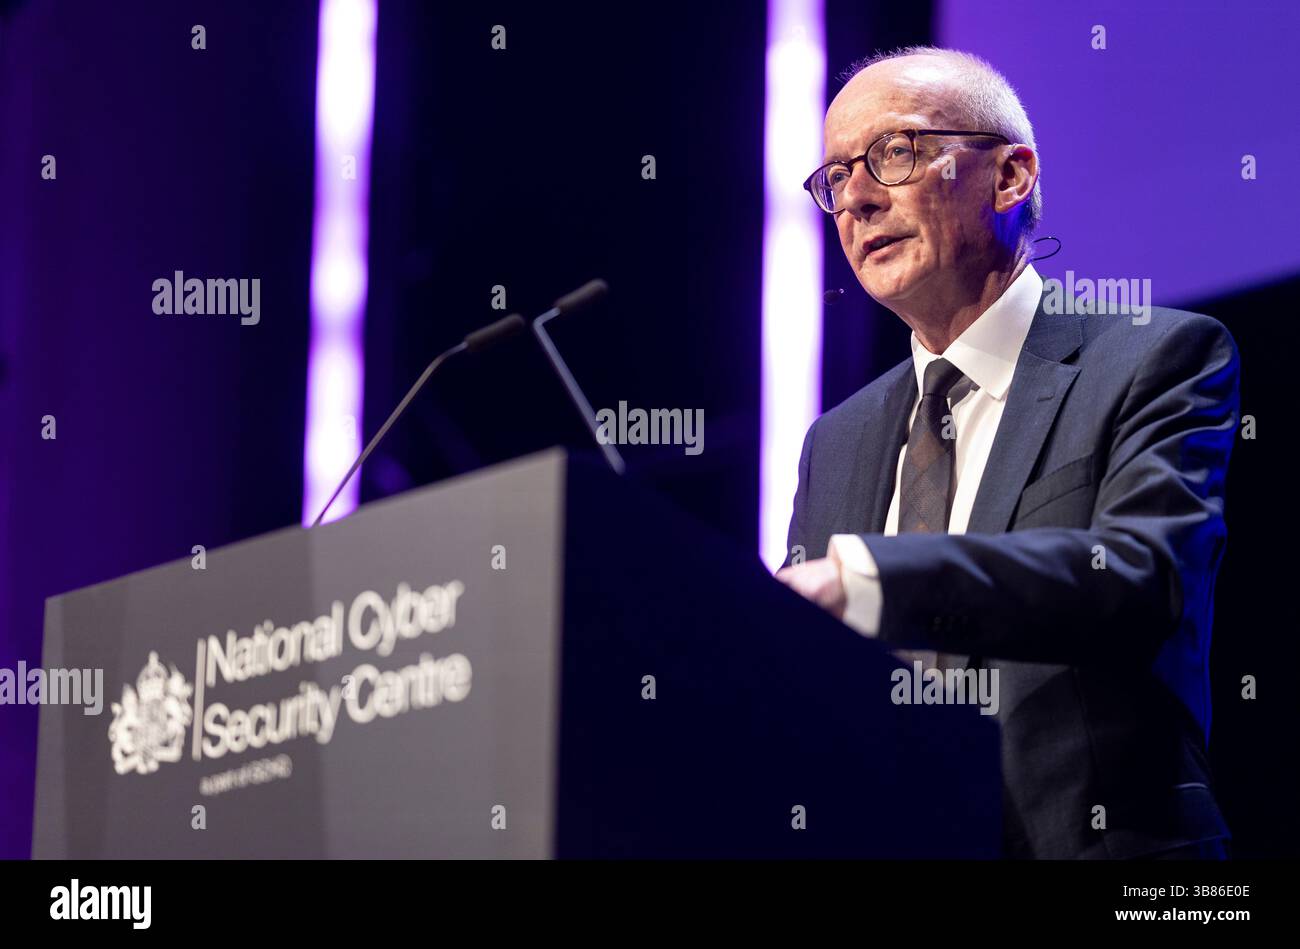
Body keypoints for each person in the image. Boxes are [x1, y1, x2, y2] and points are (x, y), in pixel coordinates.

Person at [775, 47, 1238, 859]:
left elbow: (1141, 574)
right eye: (836, 178)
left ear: (1011, 176)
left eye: (894, 153)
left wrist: (874, 579)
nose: (855, 199)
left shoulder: (1155, 357)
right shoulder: (835, 440)